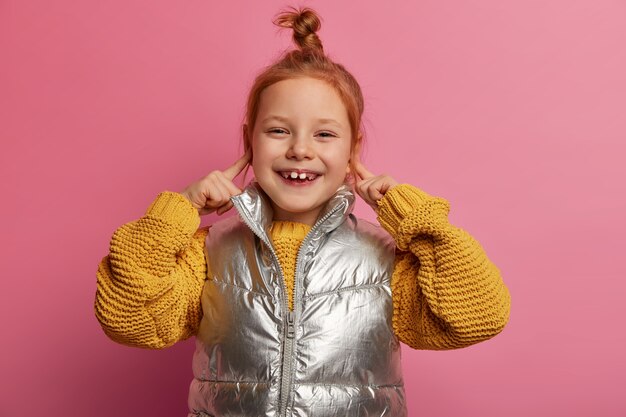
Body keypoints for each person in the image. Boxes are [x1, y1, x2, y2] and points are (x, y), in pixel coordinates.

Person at [94, 6, 511, 417]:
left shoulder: (386, 259)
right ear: (249, 142)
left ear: (353, 150)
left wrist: (414, 219)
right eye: (278, 130)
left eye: (325, 134)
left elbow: (478, 315)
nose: (300, 149)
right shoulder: (209, 253)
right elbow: (128, 318)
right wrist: (178, 210)